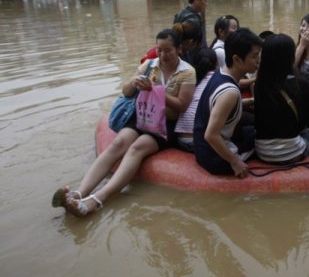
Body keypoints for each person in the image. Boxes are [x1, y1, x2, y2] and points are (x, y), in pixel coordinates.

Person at [52, 29, 196, 217]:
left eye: (168, 50)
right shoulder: (149, 65)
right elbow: (127, 92)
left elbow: (182, 106)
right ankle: (79, 193)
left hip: (167, 124)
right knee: (118, 143)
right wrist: (134, 82)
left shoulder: (187, 72)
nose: (162, 55)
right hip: (143, 115)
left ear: (178, 49)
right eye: (159, 50)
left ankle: (96, 200)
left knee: (137, 147)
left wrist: (156, 90)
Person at [194, 28, 262, 177]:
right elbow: (211, 135)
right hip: (215, 159)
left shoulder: (221, 72)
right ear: (237, 59)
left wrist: (250, 101)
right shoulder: (230, 92)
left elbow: (223, 108)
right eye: (255, 56)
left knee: (252, 127)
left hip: (202, 148)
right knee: (263, 135)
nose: (259, 60)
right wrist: (234, 162)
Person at [254, 34, 309, 164]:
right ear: (291, 57)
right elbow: (307, 122)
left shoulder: (259, 85)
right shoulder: (302, 84)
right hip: (292, 153)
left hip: (262, 152)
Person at [174, 48, 218, 152]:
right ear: (216, 64)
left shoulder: (191, 79)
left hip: (180, 139)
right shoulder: (218, 80)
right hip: (197, 141)